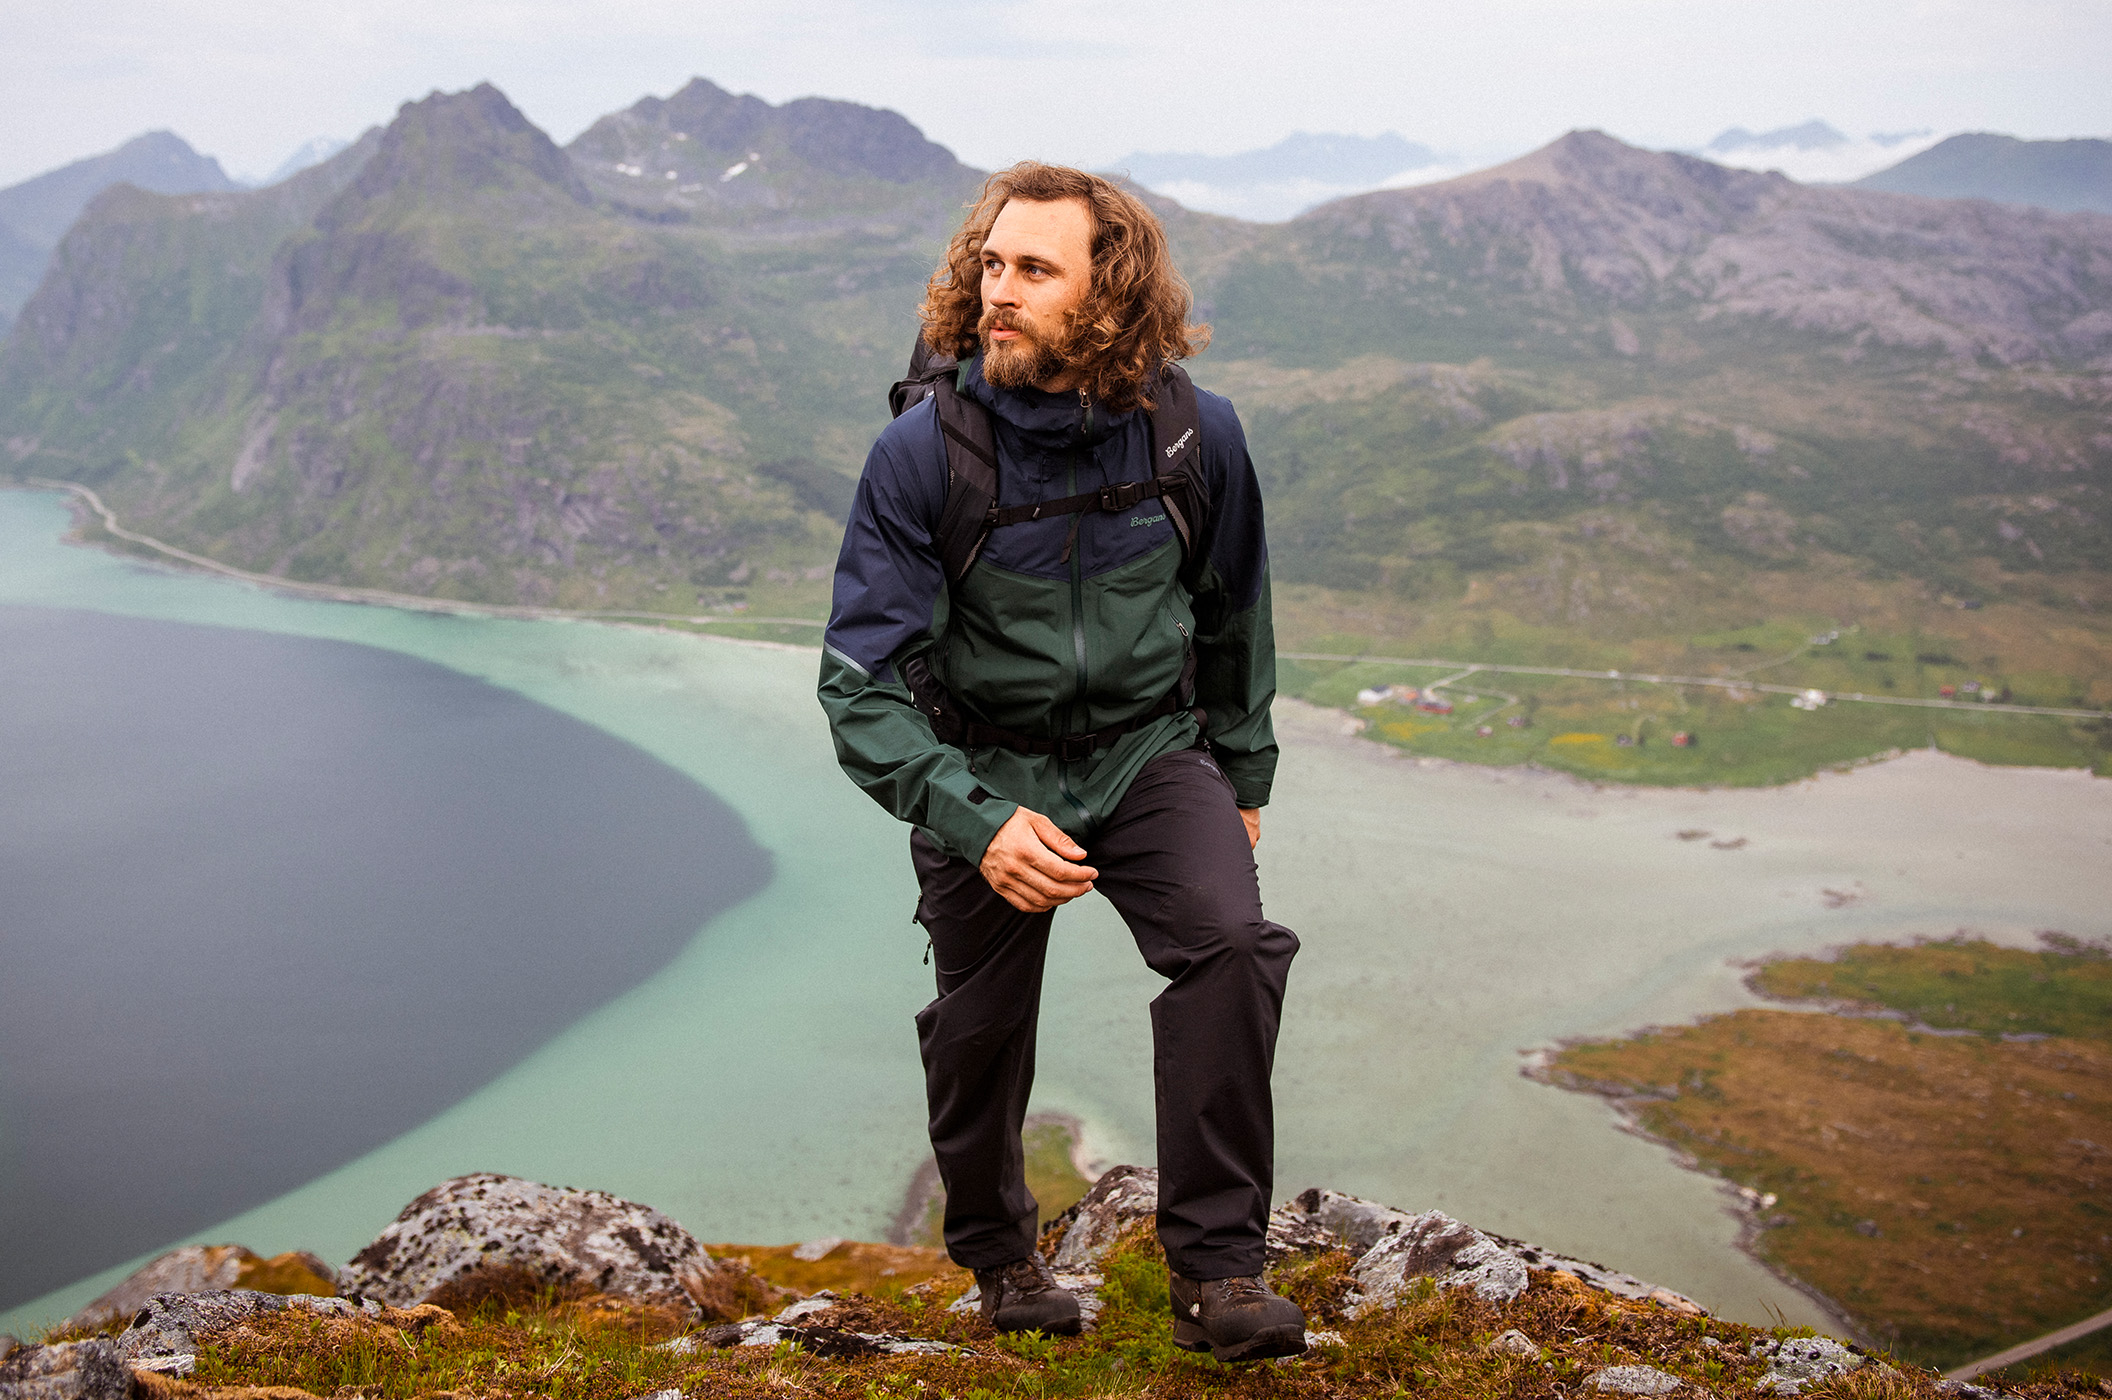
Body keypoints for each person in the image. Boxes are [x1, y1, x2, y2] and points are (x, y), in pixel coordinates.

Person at [817, 163, 1304, 1363]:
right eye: (991, 264)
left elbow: (1236, 612)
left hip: (1149, 752)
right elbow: (859, 686)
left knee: (1232, 946)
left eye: (1035, 269)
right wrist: (973, 815)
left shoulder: (1197, 433)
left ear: (1111, 291)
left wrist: (1242, 781)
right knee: (980, 1023)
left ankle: (1218, 1274)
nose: (1001, 290)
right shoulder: (922, 455)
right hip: (983, 764)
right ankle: (1000, 1258)